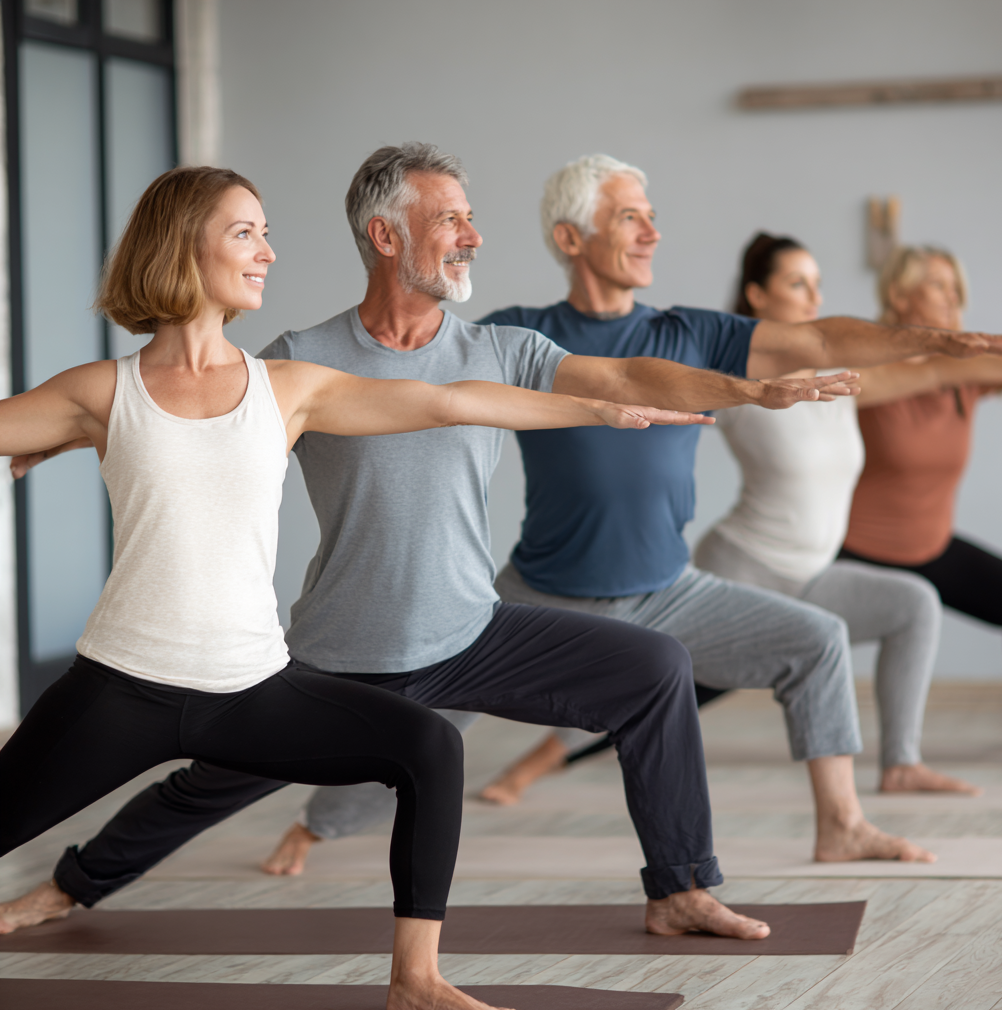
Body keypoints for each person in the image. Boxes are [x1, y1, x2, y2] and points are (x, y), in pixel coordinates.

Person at [1, 143, 855, 941]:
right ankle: (75, 883)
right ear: (386, 235)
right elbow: (194, 418)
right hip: (338, 646)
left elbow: (617, 376)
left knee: (654, 669)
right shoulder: (301, 358)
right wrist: (77, 429)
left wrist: (746, 391)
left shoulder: (498, 348)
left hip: (466, 633)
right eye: (450, 218)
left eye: (468, 217)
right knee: (206, 784)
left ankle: (680, 887)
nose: (472, 235)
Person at [470, 155, 1002, 838]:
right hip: (637, 575)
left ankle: (854, 811)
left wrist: (938, 345)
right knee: (466, 691)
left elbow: (836, 342)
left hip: (747, 577)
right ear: (570, 239)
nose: (650, 233)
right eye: (629, 217)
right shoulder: (547, 337)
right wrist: (752, 390)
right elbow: (619, 383)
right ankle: (337, 810)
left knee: (827, 638)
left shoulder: (746, 351)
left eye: (653, 218)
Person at [692, 232, 978, 794]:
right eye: (797, 283)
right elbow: (657, 399)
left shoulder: (843, 375)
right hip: (743, 569)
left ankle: (901, 763)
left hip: (811, 576)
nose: (813, 297)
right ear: (756, 294)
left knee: (914, 605)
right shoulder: (735, 373)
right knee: (653, 673)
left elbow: (931, 370)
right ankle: (539, 757)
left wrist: (970, 348)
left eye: (818, 284)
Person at [840, 245, 1002, 742]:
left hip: (931, 548)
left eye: (957, 289)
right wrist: (953, 362)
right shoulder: (867, 364)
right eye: (939, 285)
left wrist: (966, 362)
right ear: (899, 295)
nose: (953, 298)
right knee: (752, 648)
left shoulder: (965, 378)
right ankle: (630, 714)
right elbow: (892, 379)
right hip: (855, 551)